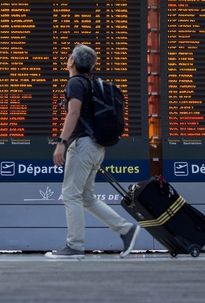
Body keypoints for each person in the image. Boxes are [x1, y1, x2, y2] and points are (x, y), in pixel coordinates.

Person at [45, 44, 140, 259]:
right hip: (96, 146)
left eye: (70, 56)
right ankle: (126, 229)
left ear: (72, 62)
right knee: (86, 197)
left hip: (82, 145)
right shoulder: (89, 83)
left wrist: (61, 142)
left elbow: (74, 113)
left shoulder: (75, 83)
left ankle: (74, 246)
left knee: (70, 194)